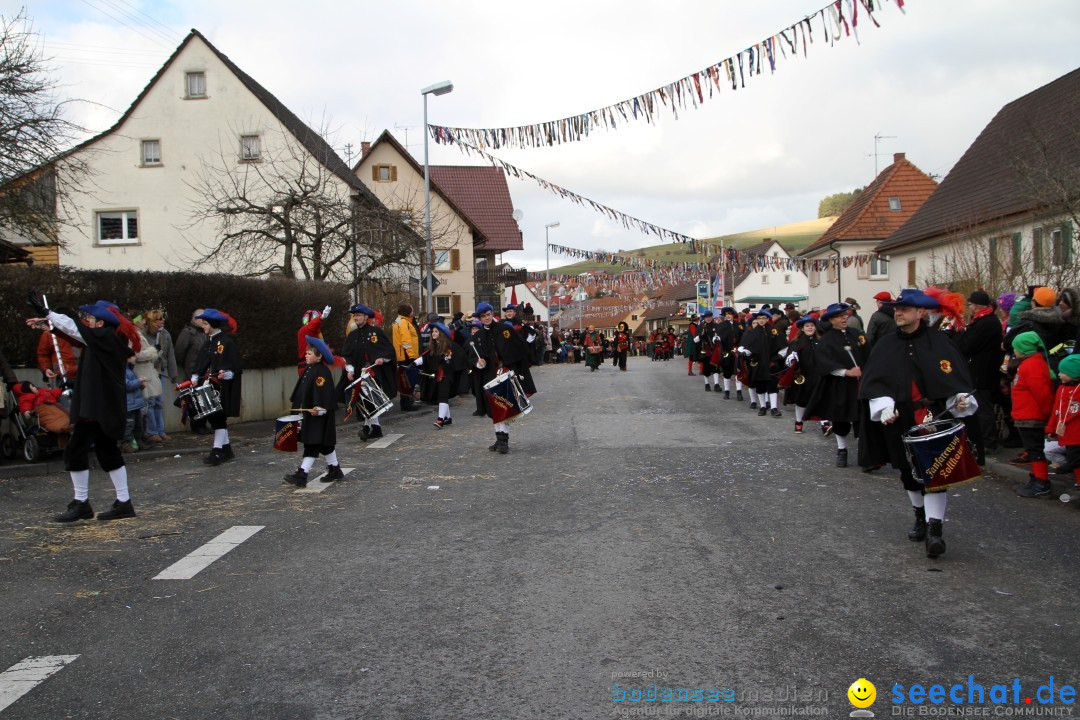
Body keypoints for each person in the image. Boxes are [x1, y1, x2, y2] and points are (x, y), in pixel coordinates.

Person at [857, 289, 979, 559]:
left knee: (936, 474)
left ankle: (935, 529)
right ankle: (920, 516)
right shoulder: (886, 344)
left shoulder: (940, 342)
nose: (898, 313)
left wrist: (959, 399)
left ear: (921, 312)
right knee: (907, 473)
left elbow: (954, 377)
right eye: (897, 309)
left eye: (905, 309)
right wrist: (883, 406)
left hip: (934, 418)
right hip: (899, 419)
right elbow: (875, 382)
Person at [26, 297, 140, 522]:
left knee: (75, 450)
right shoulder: (107, 339)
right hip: (102, 405)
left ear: (101, 322)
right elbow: (76, 336)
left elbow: (76, 330)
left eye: (92, 318)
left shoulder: (107, 337)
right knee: (107, 451)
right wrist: (50, 324)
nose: (88, 321)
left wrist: (49, 314)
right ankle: (123, 503)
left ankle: (82, 503)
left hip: (98, 406)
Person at [805, 303, 869, 467]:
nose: (844, 318)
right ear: (831, 320)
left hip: (861, 385)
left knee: (863, 419)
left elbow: (869, 353)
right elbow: (824, 362)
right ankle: (842, 449)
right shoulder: (826, 340)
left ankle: (866, 454)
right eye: (839, 316)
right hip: (840, 386)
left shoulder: (856, 334)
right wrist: (846, 372)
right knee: (841, 418)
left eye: (845, 315)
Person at [283, 337, 344, 487]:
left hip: (319, 415)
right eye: (306, 353)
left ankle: (302, 474)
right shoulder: (309, 369)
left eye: (309, 353)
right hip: (311, 414)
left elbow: (324, 394)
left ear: (319, 356)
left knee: (312, 443)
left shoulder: (321, 372)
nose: (306, 356)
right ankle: (335, 469)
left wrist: (320, 409)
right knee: (325, 445)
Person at [955, 290, 1004, 464]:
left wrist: (959, 335)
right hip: (984, 369)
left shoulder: (985, 323)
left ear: (977, 306)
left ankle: (988, 442)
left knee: (983, 406)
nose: (969, 308)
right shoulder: (987, 320)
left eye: (971, 305)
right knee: (982, 405)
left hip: (982, 371)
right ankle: (984, 440)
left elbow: (968, 345)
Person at [193, 309, 242, 466]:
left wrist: (228, 374)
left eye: (206, 324)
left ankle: (217, 451)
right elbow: (201, 362)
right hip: (207, 385)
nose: (203, 327)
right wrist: (195, 375)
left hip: (220, 387)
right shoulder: (208, 341)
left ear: (213, 325)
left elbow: (235, 366)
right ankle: (226, 450)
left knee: (218, 418)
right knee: (215, 419)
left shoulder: (226, 342)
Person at [341, 304, 396, 440]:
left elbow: (389, 350)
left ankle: (367, 428)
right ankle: (375, 428)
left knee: (370, 401)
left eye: (358, 315)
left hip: (374, 372)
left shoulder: (376, 332)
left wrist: (382, 359)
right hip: (359, 373)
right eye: (354, 315)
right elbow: (346, 355)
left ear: (366, 317)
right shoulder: (352, 335)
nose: (356, 318)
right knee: (365, 401)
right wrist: (350, 369)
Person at [1010, 332, 1055, 497]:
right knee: (1032, 449)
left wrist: (1047, 414)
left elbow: (1043, 394)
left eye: (1016, 348)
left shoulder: (1032, 366)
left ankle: (1042, 483)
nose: (1014, 351)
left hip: (1031, 416)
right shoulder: (1029, 363)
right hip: (1026, 415)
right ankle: (1036, 478)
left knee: (1035, 450)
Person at [415, 322, 465, 428]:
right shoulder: (434, 347)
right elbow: (427, 357)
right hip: (438, 376)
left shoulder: (449, 347)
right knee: (442, 396)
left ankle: (440, 420)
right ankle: (448, 418)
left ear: (441, 333)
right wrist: (416, 363)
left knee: (443, 396)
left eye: (436, 331)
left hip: (447, 375)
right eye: (432, 331)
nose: (433, 333)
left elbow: (453, 361)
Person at [738, 309, 785, 416]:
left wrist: (779, 356)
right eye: (759, 318)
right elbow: (745, 346)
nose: (761, 320)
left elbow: (783, 345)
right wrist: (745, 351)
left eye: (764, 318)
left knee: (772, 385)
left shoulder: (774, 330)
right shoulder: (753, 332)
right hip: (757, 363)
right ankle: (762, 407)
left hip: (771, 362)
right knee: (760, 385)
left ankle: (774, 408)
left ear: (768, 319)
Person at [1045, 354, 1080, 498]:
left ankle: (1067, 470)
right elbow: (1056, 410)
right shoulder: (1062, 389)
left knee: (1075, 457)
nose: (1059, 374)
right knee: (1073, 457)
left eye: (1063, 372)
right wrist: (1051, 428)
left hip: (1076, 432)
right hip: (1065, 431)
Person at [783, 315, 822, 434]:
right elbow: (788, 361)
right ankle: (798, 422)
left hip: (818, 375)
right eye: (807, 326)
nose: (810, 328)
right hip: (803, 376)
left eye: (812, 325)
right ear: (802, 329)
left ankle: (824, 422)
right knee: (801, 401)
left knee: (820, 399)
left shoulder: (821, 341)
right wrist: (791, 359)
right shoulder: (796, 342)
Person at [174, 309, 210, 435]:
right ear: (195, 319)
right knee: (194, 398)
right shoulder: (188, 333)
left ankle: (203, 423)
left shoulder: (205, 333)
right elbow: (179, 352)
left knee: (204, 397)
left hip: (204, 371)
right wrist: (187, 366)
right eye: (202, 318)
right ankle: (196, 425)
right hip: (192, 370)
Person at [392, 304, 420, 412]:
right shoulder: (404, 322)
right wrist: (412, 356)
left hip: (402, 355)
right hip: (406, 356)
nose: (413, 313)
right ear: (407, 312)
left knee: (405, 380)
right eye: (411, 311)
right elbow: (406, 340)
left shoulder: (399, 321)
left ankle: (406, 403)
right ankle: (407, 404)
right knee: (408, 380)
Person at [717, 307, 744, 401]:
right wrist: (717, 339)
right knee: (727, 372)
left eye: (730, 314)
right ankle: (727, 391)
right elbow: (718, 336)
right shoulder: (721, 325)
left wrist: (742, 347)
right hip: (727, 351)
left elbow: (743, 336)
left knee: (738, 371)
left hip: (737, 351)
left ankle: (739, 392)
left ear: (733, 315)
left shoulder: (739, 325)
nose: (728, 316)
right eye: (726, 314)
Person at [296, 306, 332, 375]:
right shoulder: (308, 329)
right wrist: (322, 317)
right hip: (310, 367)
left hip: (305, 367)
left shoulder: (303, 331)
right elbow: (313, 324)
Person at [122, 357, 147, 453]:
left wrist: (140, 384)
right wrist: (139, 381)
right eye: (133, 356)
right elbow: (127, 385)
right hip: (129, 403)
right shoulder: (123, 370)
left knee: (138, 424)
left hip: (135, 403)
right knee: (129, 425)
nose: (135, 358)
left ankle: (138, 441)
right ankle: (125, 443)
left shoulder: (129, 369)